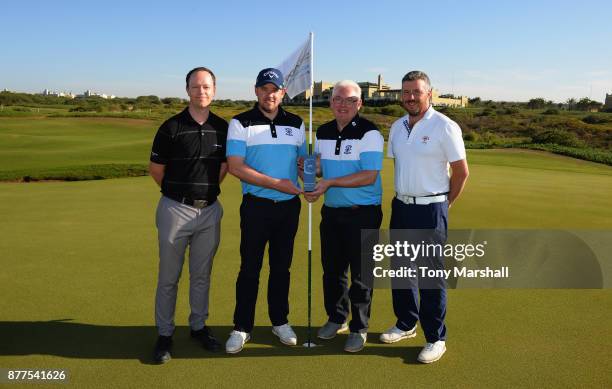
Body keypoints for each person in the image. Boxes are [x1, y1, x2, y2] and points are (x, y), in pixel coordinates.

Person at [381, 70, 469, 363]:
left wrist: (445, 205)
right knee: (402, 270)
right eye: (405, 92)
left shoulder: (445, 126)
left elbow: (461, 172)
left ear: (429, 93)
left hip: (431, 208)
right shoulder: (396, 127)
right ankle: (406, 323)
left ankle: (436, 337)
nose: (410, 97)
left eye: (416, 92)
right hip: (401, 207)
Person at [149, 67, 228, 363]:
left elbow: (224, 167)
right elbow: (156, 170)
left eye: (207, 87)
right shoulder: (170, 127)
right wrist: (179, 196)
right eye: (196, 87)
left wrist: (203, 193)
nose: (201, 92)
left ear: (214, 90)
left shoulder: (223, 127)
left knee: (201, 275)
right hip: (174, 209)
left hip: (209, 210)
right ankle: (165, 334)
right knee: (169, 277)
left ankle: (198, 326)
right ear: (187, 90)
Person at [225, 68, 307, 354]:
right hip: (256, 206)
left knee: (281, 268)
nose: (269, 94)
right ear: (256, 91)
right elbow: (236, 167)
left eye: (275, 89)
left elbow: (303, 160)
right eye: (264, 88)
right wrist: (277, 184)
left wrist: (308, 183)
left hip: (289, 208)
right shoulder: (240, 122)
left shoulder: (296, 123)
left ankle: (279, 321)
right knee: (250, 268)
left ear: (283, 92)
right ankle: (242, 327)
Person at [304, 80, 384, 353]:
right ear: (330, 102)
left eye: (350, 100)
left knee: (361, 275)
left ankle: (359, 328)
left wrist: (328, 183)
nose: (343, 104)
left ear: (359, 103)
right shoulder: (323, 130)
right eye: (337, 98)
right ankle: (337, 317)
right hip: (332, 212)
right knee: (333, 271)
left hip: (363, 213)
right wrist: (310, 173)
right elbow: (318, 169)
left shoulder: (369, 132)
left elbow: (369, 175)